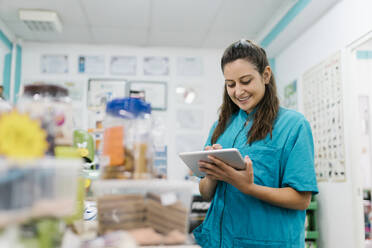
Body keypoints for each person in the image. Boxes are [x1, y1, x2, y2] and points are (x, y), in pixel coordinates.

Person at [193, 39, 318, 248]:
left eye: (245, 81)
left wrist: (249, 187)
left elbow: (301, 199)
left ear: (266, 75)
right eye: (230, 84)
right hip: (220, 240)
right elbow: (205, 192)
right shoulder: (221, 126)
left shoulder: (294, 126)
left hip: (268, 241)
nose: (238, 91)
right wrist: (212, 176)